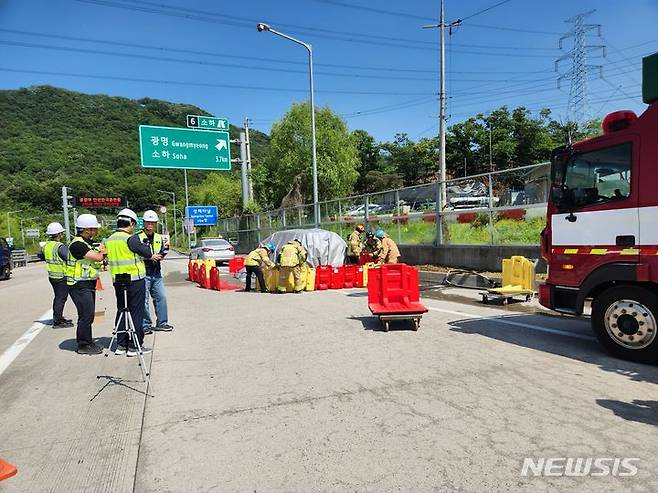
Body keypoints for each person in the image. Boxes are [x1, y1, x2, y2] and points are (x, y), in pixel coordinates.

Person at [105, 208, 162, 357]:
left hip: (118, 281)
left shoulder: (109, 239)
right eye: (134, 224)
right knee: (136, 312)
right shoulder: (131, 238)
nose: (134, 227)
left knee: (122, 310)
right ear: (130, 223)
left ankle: (121, 345)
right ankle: (135, 346)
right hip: (134, 280)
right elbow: (146, 252)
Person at [66, 214, 106, 355]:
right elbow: (98, 257)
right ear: (86, 229)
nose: (96, 231)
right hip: (78, 285)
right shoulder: (78, 245)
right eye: (94, 229)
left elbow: (94, 263)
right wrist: (102, 251)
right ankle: (84, 345)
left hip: (86, 284)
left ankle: (87, 341)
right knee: (86, 315)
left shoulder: (86, 244)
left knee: (87, 315)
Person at [138, 210, 173, 334]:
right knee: (144, 300)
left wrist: (160, 256)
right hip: (143, 273)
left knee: (161, 297)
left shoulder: (159, 237)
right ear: (144, 222)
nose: (150, 224)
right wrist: (149, 257)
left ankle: (162, 323)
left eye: (152, 222)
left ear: (156, 223)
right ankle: (145, 325)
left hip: (156, 273)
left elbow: (162, 251)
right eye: (148, 222)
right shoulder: (138, 237)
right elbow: (136, 255)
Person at [43, 222, 73, 328]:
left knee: (58, 297)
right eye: (62, 233)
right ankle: (57, 321)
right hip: (61, 276)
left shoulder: (46, 245)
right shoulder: (59, 246)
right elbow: (69, 257)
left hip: (52, 276)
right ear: (59, 234)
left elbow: (40, 255)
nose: (63, 235)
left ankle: (58, 318)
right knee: (61, 298)